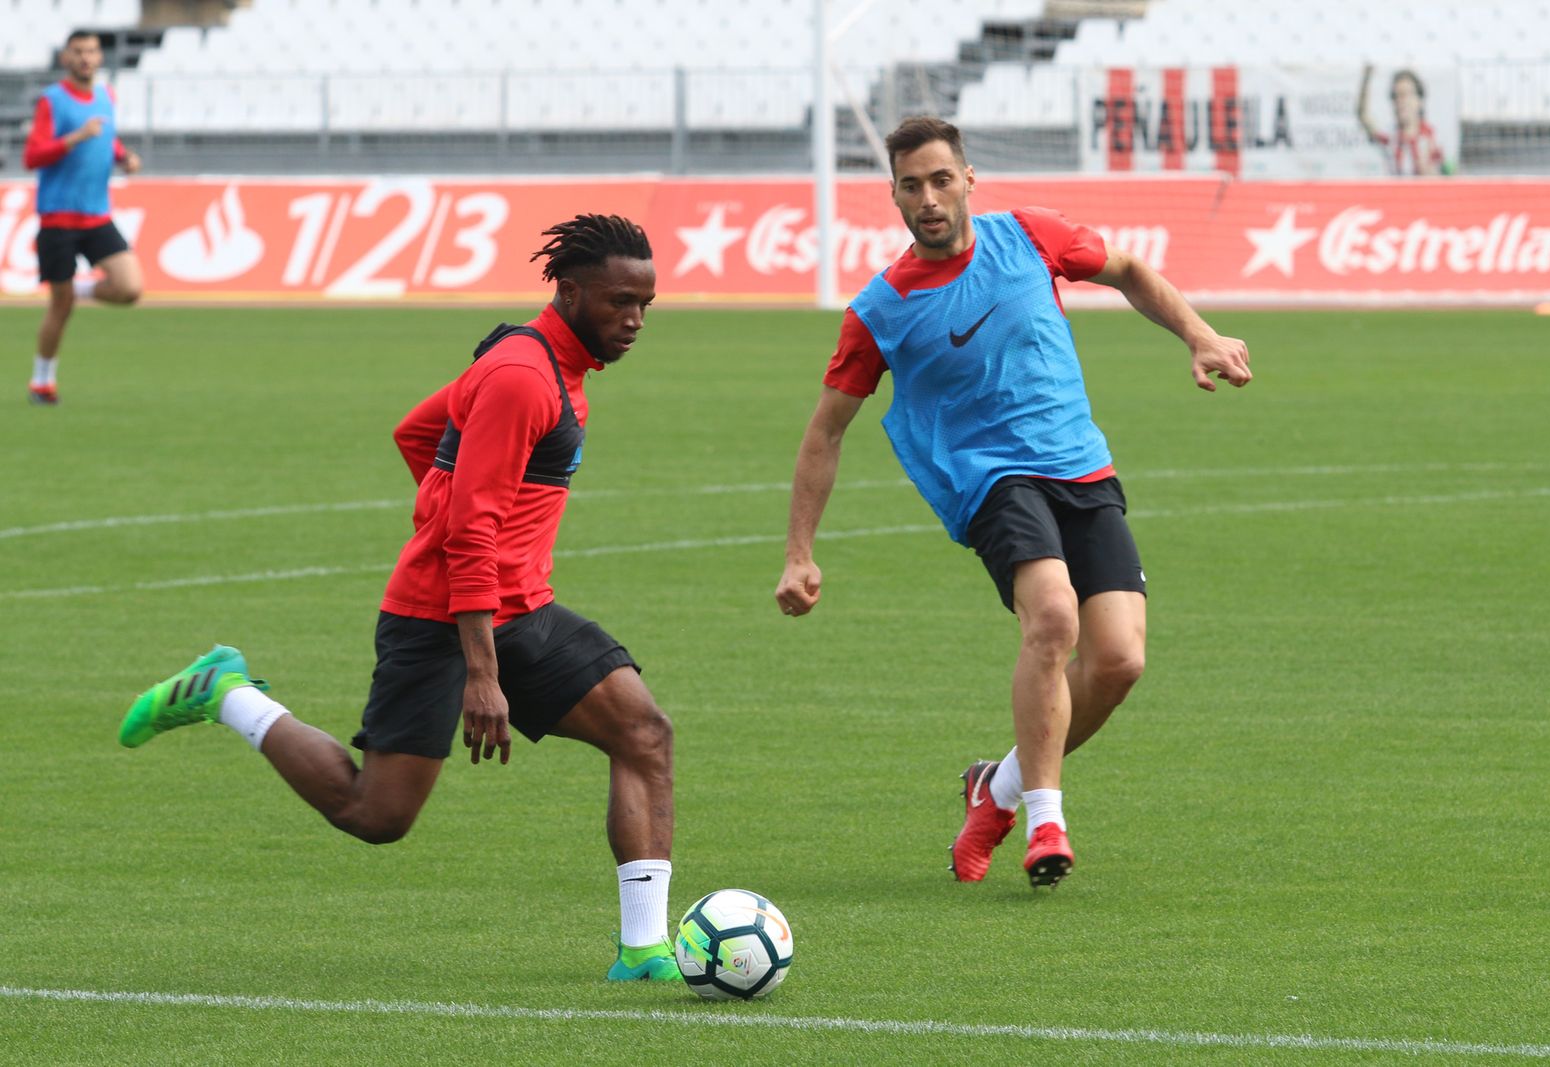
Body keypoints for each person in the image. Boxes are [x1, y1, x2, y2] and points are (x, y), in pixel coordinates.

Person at [119, 214, 681, 981]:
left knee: (644, 733)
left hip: (518, 607)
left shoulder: (549, 364)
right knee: (375, 814)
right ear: (571, 292)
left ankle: (644, 949)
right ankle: (226, 692)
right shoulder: (522, 375)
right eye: (621, 302)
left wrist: (463, 517)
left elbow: (418, 433)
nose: (636, 319)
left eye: (646, 304)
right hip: (440, 617)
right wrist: (480, 668)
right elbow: (472, 525)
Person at [774, 117, 1251, 890]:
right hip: (990, 482)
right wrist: (800, 552)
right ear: (893, 195)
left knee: (1120, 660)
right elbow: (825, 431)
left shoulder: (1030, 236)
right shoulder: (880, 309)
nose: (929, 199)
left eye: (940, 180)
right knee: (1054, 617)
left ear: (968, 179)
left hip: (1081, 466)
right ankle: (1045, 820)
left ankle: (995, 790)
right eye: (911, 186)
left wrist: (1199, 334)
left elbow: (1129, 269)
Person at [22, 29, 143, 406]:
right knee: (61, 307)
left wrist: (124, 157)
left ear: (100, 57)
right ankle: (42, 381)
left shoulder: (107, 96)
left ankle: (80, 290)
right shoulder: (53, 100)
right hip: (58, 218)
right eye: (78, 51)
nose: (85, 58)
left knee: (129, 288)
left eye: (91, 51)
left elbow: (108, 138)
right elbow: (32, 156)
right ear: (65, 58)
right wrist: (74, 138)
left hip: (96, 216)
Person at [1357, 66, 1446, 177]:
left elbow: (1448, 176)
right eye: (1396, 96)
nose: (1401, 101)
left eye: (1405, 95)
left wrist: (1428, 172)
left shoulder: (1433, 137)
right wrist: (1366, 78)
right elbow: (1363, 116)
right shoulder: (1390, 138)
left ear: (1419, 100)